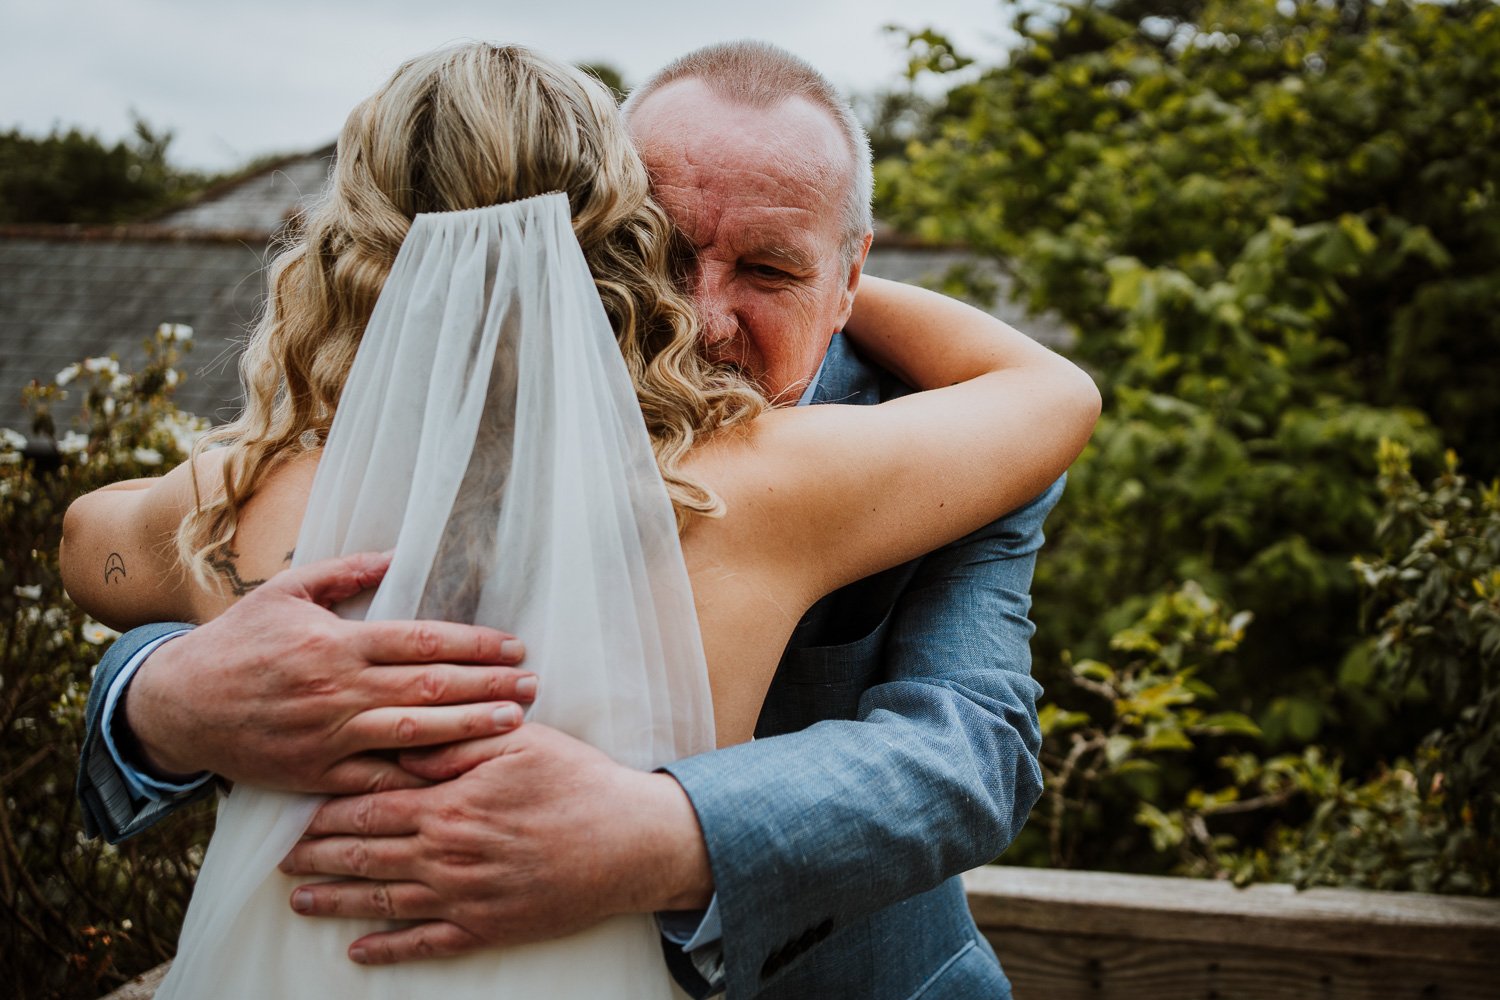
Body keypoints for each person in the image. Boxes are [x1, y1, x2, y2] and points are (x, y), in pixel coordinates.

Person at [67, 42, 1098, 1000]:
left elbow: (974, 748)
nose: (700, 320)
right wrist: (166, 693)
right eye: (662, 250)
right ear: (597, 238)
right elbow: (1055, 391)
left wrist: (659, 831)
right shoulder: (765, 488)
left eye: (770, 269)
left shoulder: (255, 489)